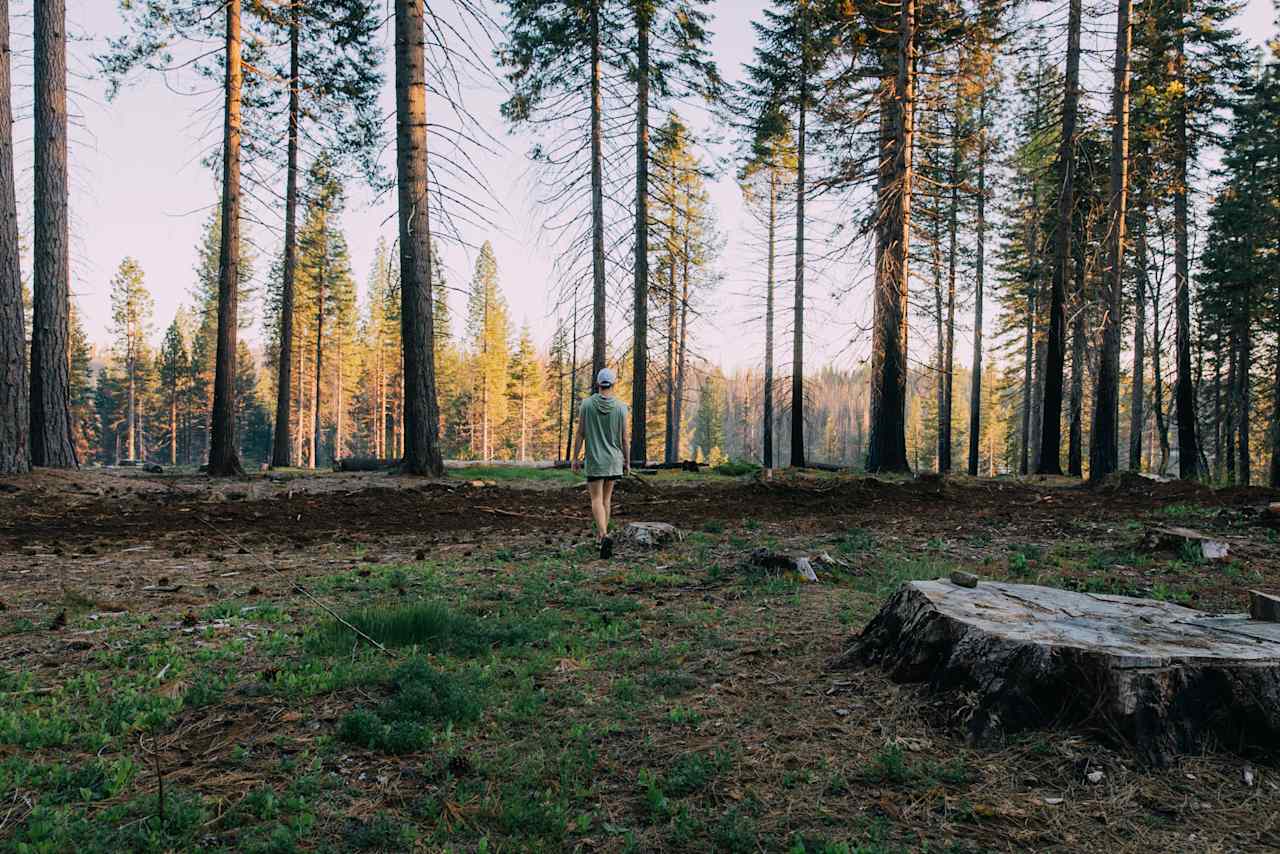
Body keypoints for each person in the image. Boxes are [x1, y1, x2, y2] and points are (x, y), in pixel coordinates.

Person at [571, 367, 629, 558]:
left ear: (598, 383)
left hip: (595, 459)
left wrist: (575, 458)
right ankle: (602, 535)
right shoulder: (621, 407)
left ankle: (603, 535)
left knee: (596, 499)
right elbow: (624, 438)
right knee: (606, 499)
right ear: (613, 384)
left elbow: (580, 433)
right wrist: (627, 462)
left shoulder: (587, 405)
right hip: (613, 460)